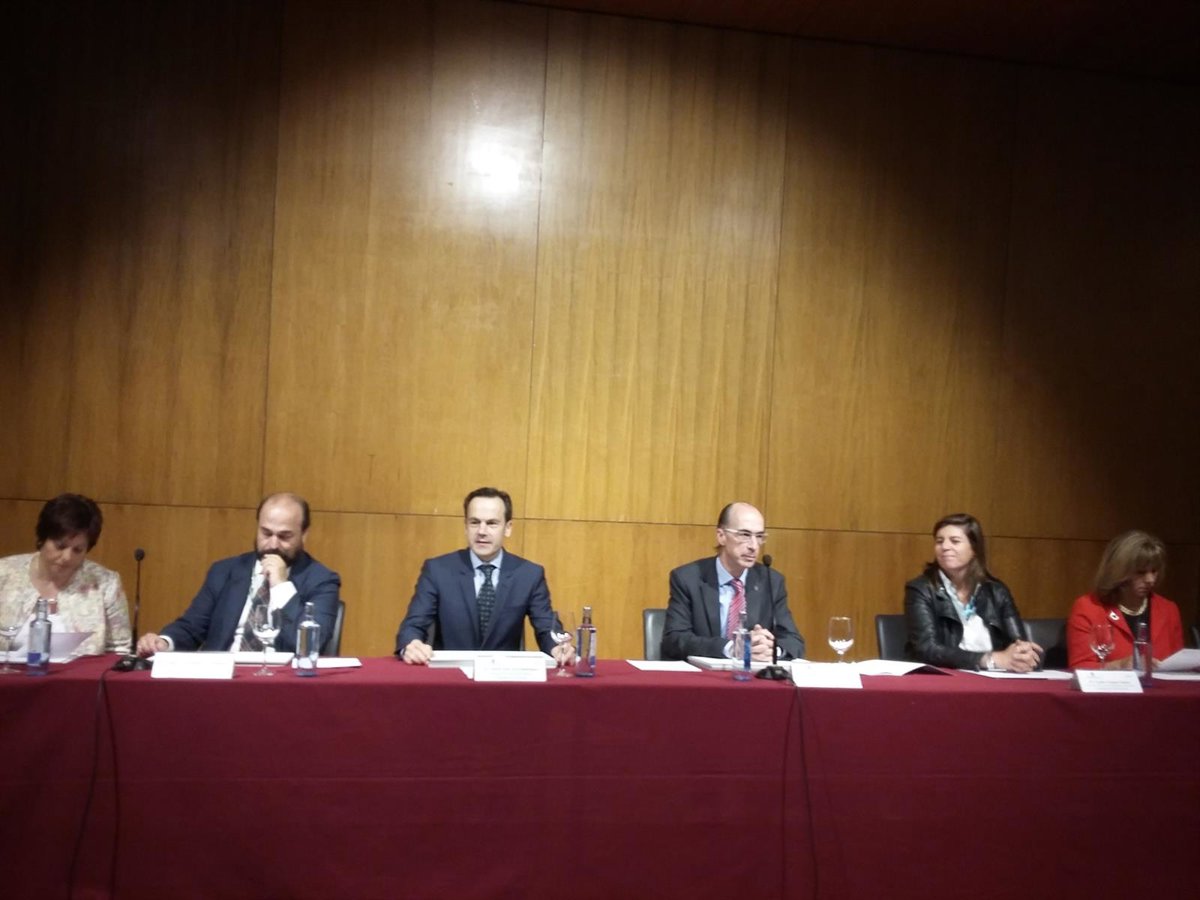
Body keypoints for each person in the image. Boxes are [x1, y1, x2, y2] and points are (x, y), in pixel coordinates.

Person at [137, 492, 340, 655]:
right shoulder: (224, 571)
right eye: (266, 533)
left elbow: (311, 645)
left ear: (304, 534)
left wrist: (281, 586)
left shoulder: (322, 580)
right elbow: (192, 627)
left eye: (284, 536)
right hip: (222, 678)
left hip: (280, 682)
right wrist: (164, 642)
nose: (273, 544)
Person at [396, 487, 574, 665]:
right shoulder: (438, 570)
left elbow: (546, 628)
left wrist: (557, 648)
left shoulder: (528, 574)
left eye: (491, 523)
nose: (482, 531)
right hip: (450, 674)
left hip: (504, 676)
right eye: (474, 522)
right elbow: (413, 625)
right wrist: (411, 644)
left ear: (508, 528)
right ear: (466, 527)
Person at [662, 502, 805, 662]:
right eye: (744, 535)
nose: (753, 546)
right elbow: (674, 639)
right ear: (721, 536)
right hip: (703, 674)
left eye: (759, 537)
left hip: (753, 675)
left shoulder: (771, 581)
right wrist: (731, 648)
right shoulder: (688, 578)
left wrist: (772, 650)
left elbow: (794, 641)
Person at [904, 513, 1041, 671]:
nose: (945, 547)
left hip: (995, 677)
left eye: (955, 541)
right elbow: (926, 649)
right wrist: (990, 659)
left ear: (974, 548)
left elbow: (1019, 644)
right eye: (939, 541)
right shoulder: (921, 589)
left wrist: (1024, 655)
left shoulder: (996, 591)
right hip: (947, 676)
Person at [0, 493, 131, 659]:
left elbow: (119, 650)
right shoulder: (4, 573)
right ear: (42, 539)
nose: (67, 557)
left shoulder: (106, 583)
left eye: (78, 550)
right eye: (60, 546)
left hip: (81, 675)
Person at [1066, 530, 1184, 669]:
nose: (1150, 580)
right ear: (1119, 572)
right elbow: (1080, 667)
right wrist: (1119, 665)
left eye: (1154, 571)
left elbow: (1180, 665)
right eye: (1141, 572)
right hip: (1112, 684)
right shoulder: (1089, 608)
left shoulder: (1168, 609)